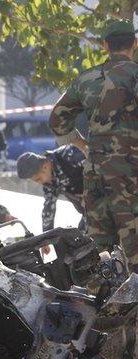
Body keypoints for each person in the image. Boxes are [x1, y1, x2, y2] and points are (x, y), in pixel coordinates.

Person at [50, 19, 138, 272]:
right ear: (134, 43)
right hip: (129, 174)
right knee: (134, 246)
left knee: (98, 250)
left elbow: (57, 120)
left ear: (104, 45)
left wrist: (80, 142)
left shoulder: (86, 79)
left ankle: (95, 304)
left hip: (95, 170)